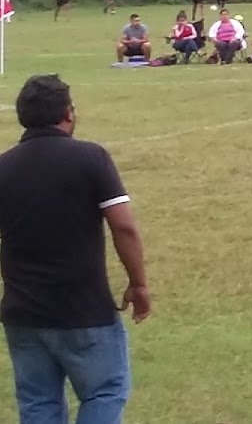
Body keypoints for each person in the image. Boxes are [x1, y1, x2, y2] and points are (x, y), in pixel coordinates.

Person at [0, 75, 151, 424]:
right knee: (104, 391)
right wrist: (138, 284)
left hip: (23, 313)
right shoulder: (90, 157)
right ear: (67, 113)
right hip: (84, 309)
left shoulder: (4, 167)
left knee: (38, 403)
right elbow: (124, 226)